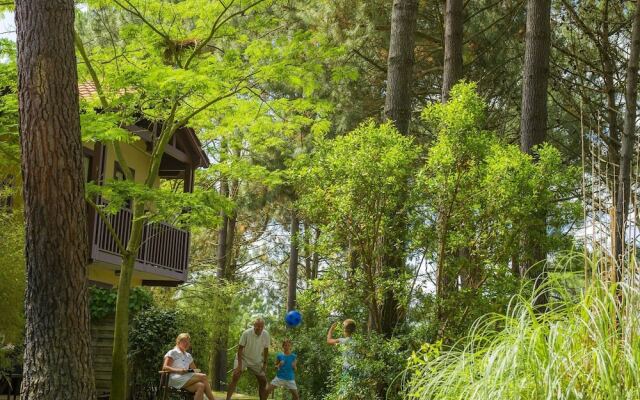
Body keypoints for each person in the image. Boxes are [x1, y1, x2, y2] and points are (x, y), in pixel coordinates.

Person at [226, 317, 271, 400]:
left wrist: (265, 363)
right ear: (254, 325)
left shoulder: (266, 334)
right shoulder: (246, 333)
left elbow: (266, 349)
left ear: (264, 327)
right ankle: (228, 398)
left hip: (256, 361)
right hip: (243, 358)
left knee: (263, 381)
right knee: (235, 376)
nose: (259, 328)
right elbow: (240, 349)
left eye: (261, 326)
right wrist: (239, 366)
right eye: (258, 326)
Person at [162, 333, 215, 400]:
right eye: (184, 341)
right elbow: (165, 367)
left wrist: (194, 372)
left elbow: (195, 369)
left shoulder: (188, 355)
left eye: (188, 342)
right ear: (178, 342)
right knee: (203, 376)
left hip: (185, 379)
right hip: (175, 379)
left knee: (201, 386)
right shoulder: (173, 352)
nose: (187, 344)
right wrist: (179, 370)